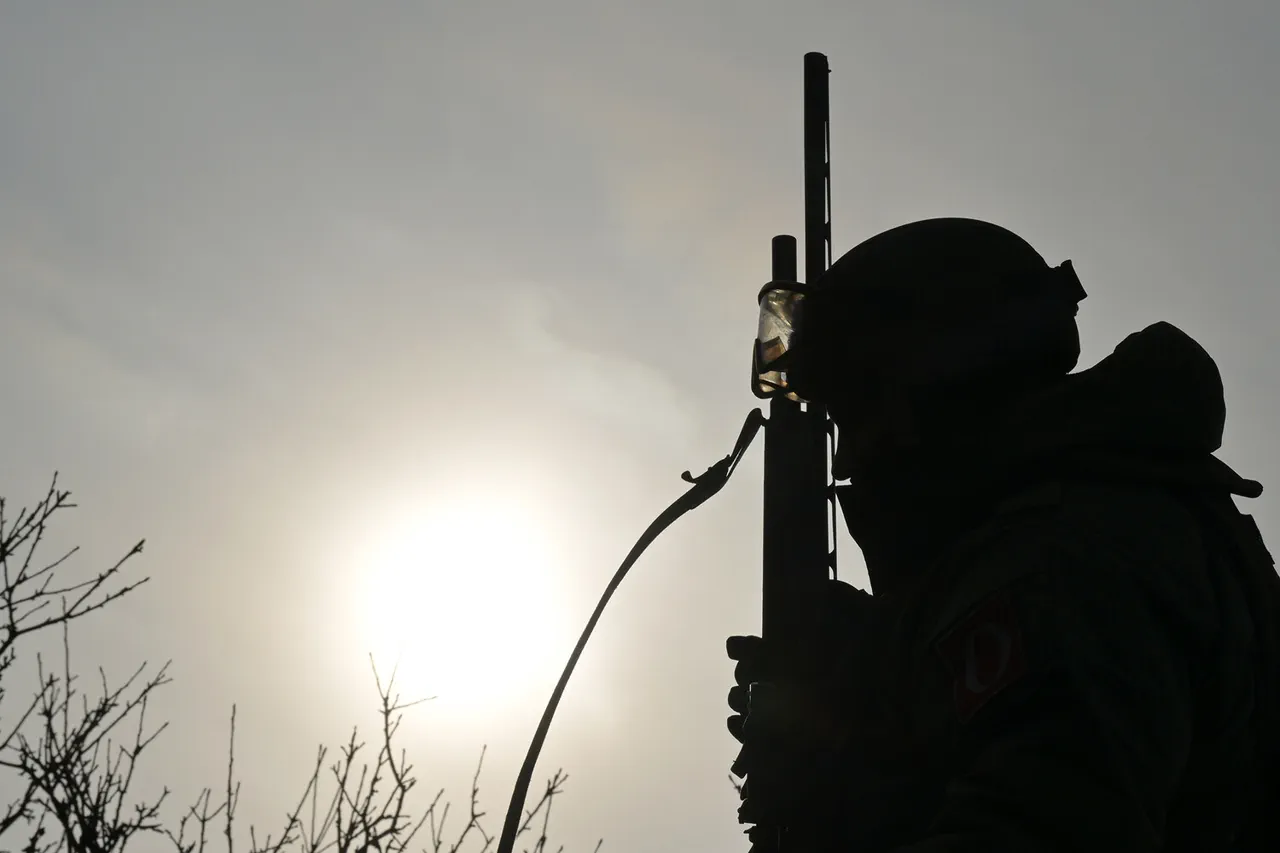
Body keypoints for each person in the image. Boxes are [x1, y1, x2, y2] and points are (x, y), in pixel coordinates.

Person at [730, 218, 1279, 852]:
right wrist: (884, 674)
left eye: (859, 410)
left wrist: (845, 798)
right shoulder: (1084, 534)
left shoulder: (1058, 568)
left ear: (934, 389)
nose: (849, 458)